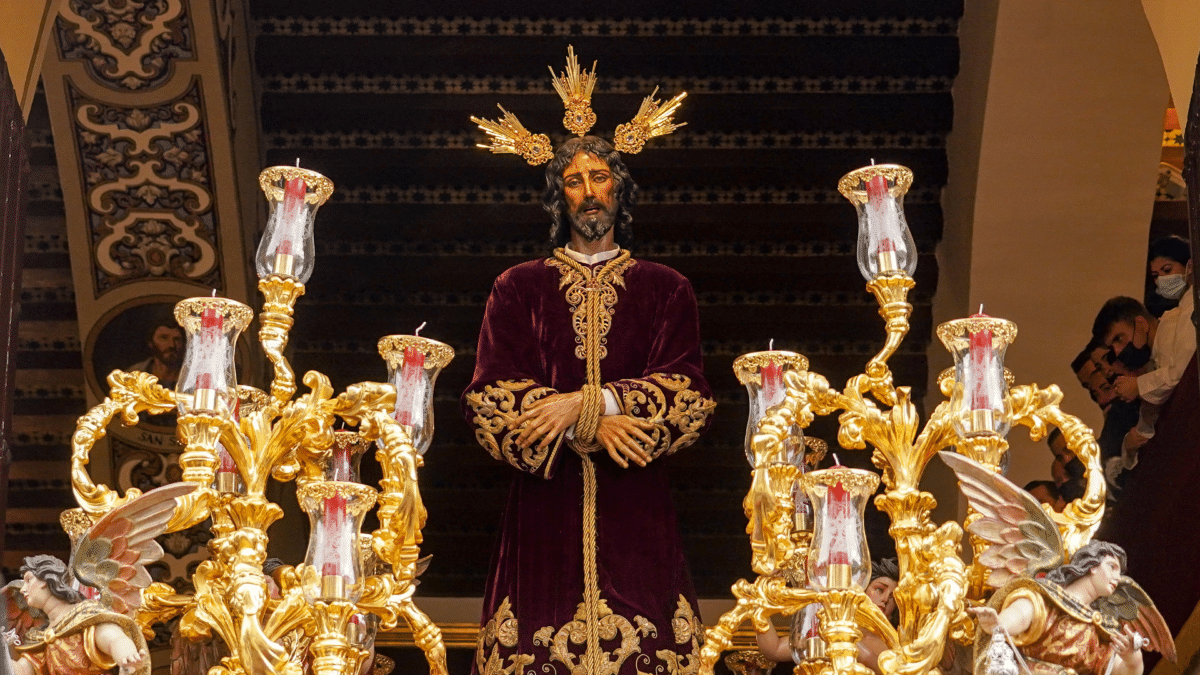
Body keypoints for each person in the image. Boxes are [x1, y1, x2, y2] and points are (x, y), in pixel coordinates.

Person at [462, 135, 716, 674]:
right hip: (542, 524)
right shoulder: (517, 288)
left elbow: (690, 395)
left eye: (599, 178)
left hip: (637, 514)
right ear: (560, 198)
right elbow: (488, 399)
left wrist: (590, 401)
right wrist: (593, 428)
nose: (589, 192)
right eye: (574, 182)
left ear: (619, 191)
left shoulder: (667, 289)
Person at [972, 541, 1149, 675]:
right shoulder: (1046, 602)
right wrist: (999, 623)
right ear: (1093, 567)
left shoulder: (1097, 631)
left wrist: (1133, 659)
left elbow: (1120, 671)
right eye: (1112, 567)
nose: (1117, 579)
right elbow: (1023, 613)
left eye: (1119, 573)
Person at [1093, 293, 1196, 473]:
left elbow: (1184, 371)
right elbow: (1146, 425)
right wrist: (1129, 445)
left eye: (1119, 338)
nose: (1117, 351)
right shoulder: (1152, 364)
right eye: (1112, 347)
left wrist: (1138, 385)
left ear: (1141, 324)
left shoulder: (1178, 322)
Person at [5, 556, 149, 675]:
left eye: (29, 580)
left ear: (46, 579)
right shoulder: (41, 636)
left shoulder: (85, 614)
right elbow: (21, 671)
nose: (23, 589)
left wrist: (126, 657)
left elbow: (114, 639)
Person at [754, 559, 898, 673]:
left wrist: (848, 641)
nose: (885, 599)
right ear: (862, 590)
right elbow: (774, 650)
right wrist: (761, 596)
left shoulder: (894, 643)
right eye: (879, 589)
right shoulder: (826, 631)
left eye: (893, 597)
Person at [125, 314, 184, 388]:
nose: (172, 345)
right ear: (151, 342)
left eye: (177, 339)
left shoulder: (193, 376)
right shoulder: (134, 374)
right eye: (164, 338)